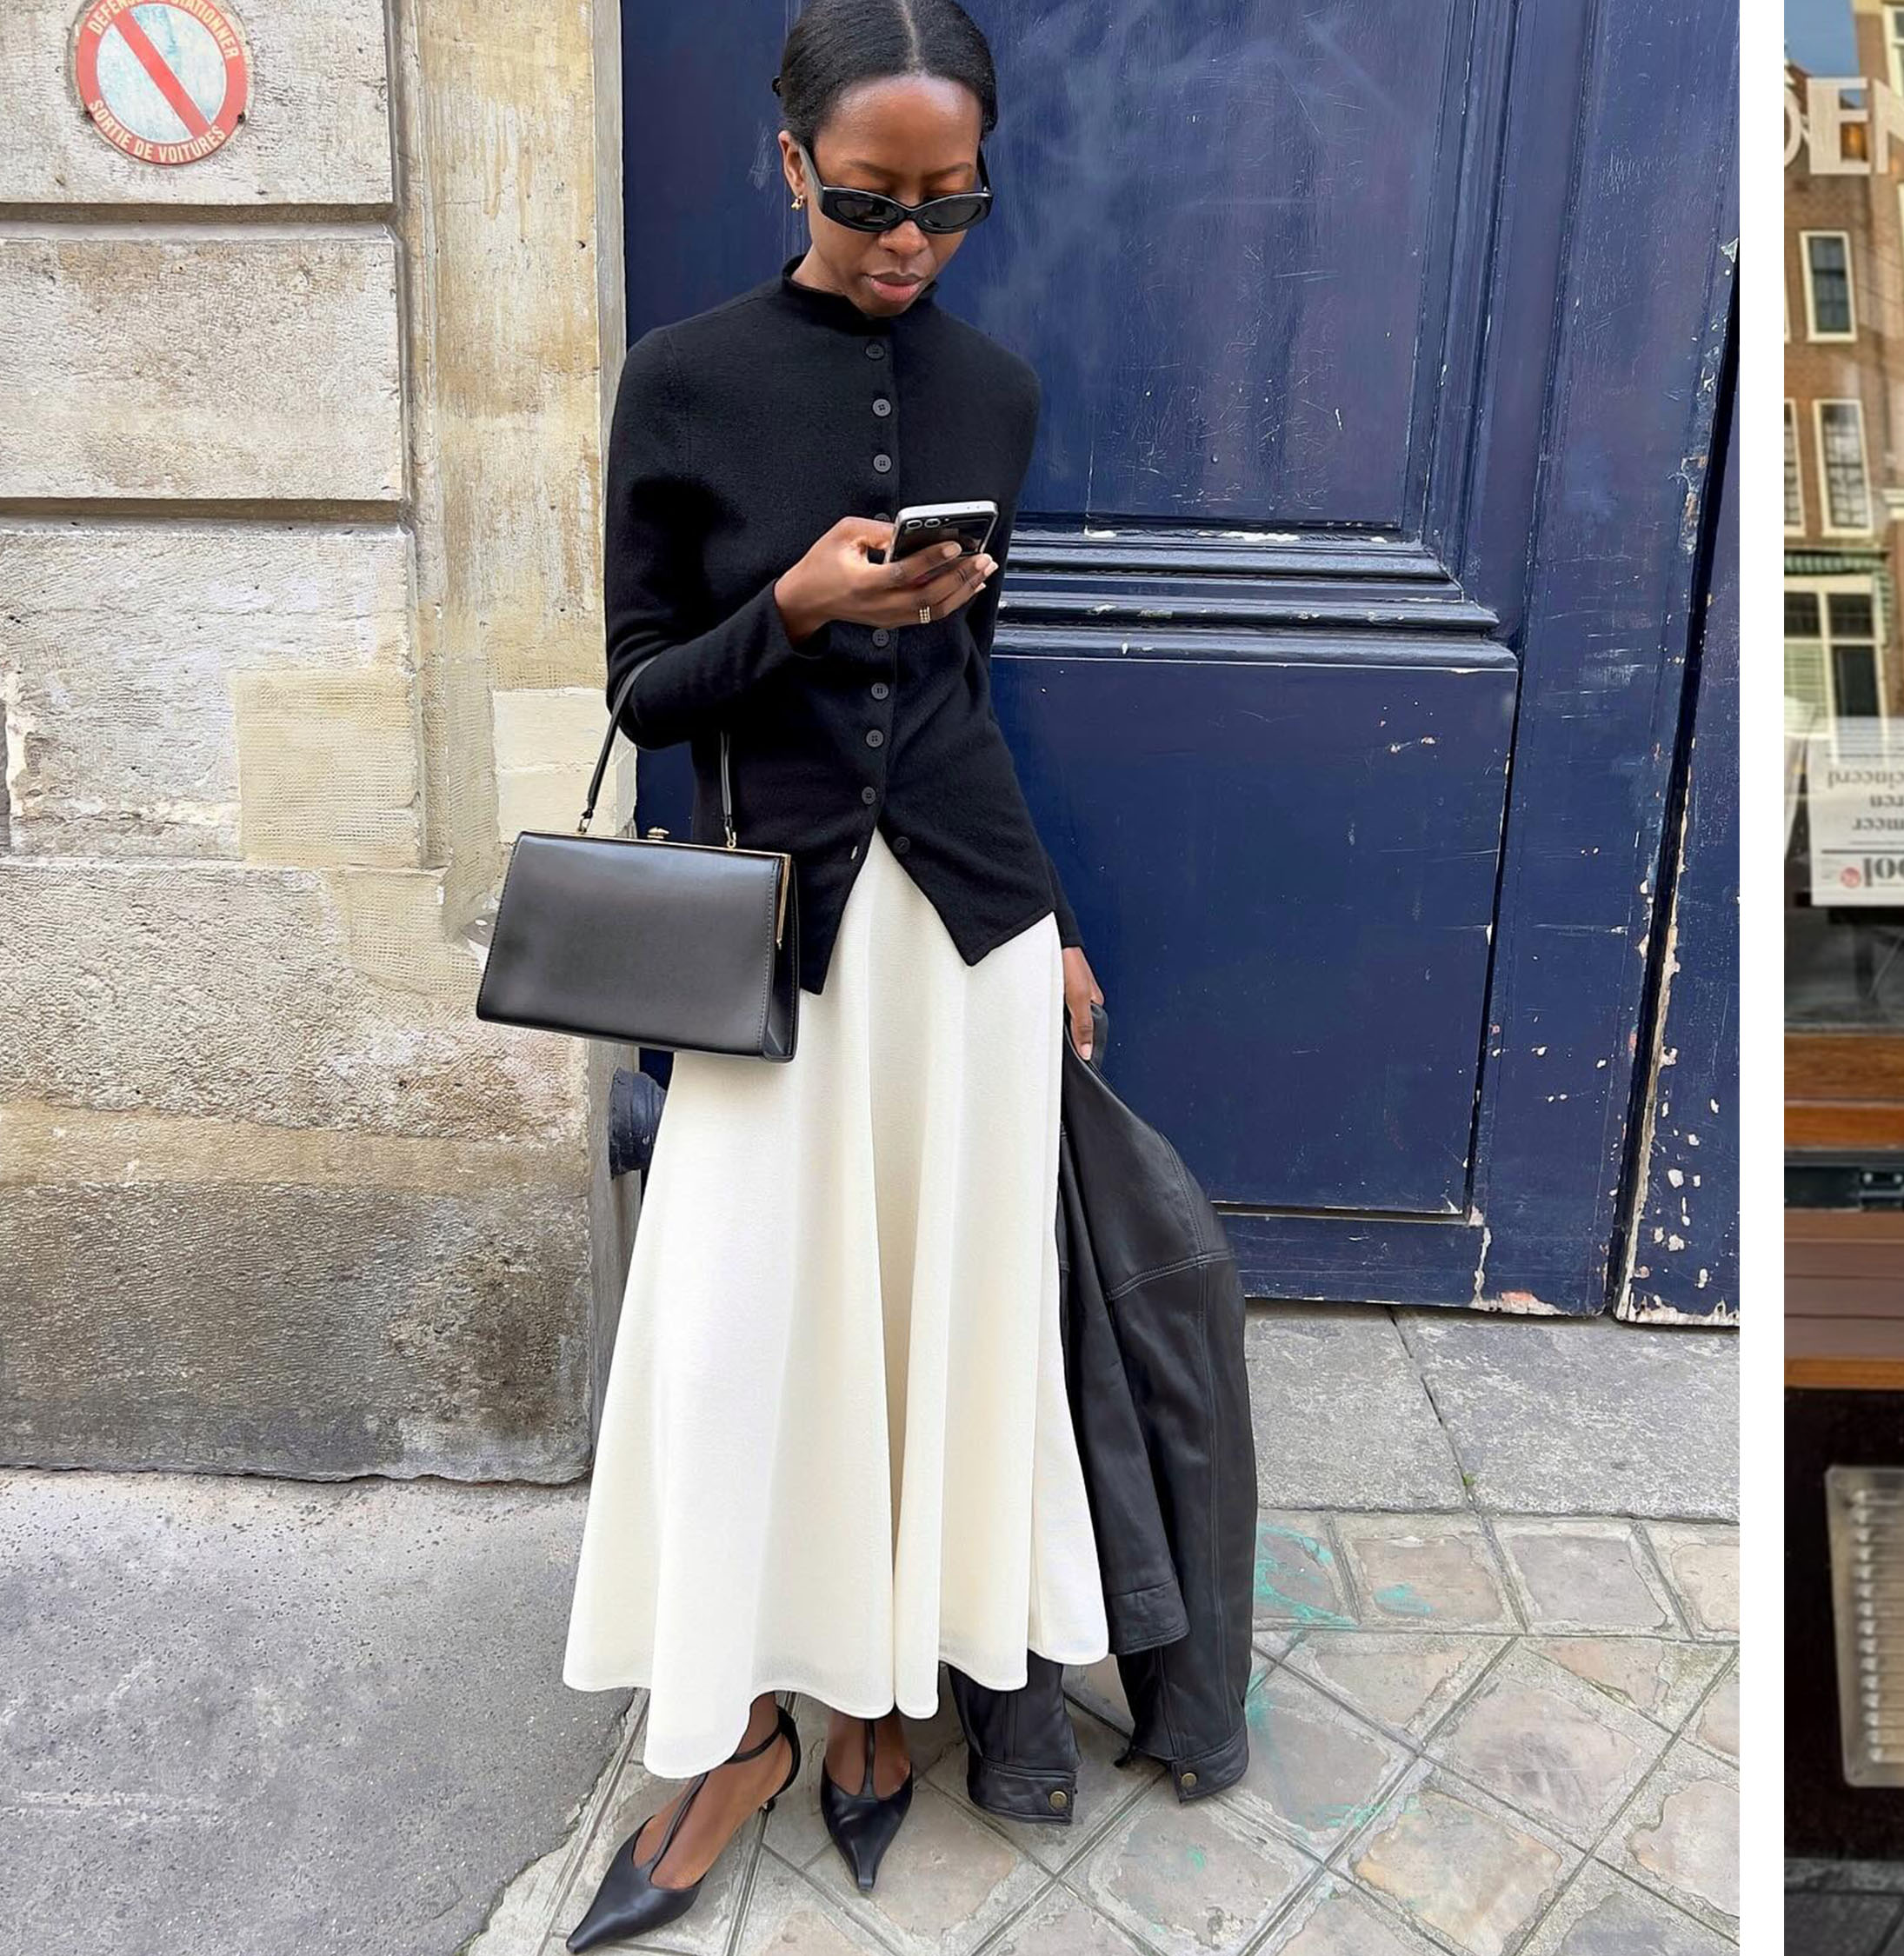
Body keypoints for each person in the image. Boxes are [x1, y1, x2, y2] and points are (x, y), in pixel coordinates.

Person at [554, 3, 1113, 1945]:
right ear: (792, 161)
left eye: (951, 205)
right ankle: (737, 1725)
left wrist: (1055, 929)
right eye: (873, 199)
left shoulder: (997, 391)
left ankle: (882, 1688)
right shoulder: (684, 380)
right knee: (738, 1335)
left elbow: (968, 692)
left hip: (966, 932)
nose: (909, 242)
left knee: (931, 1322)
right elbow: (641, 689)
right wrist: (790, 606)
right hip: (776, 940)